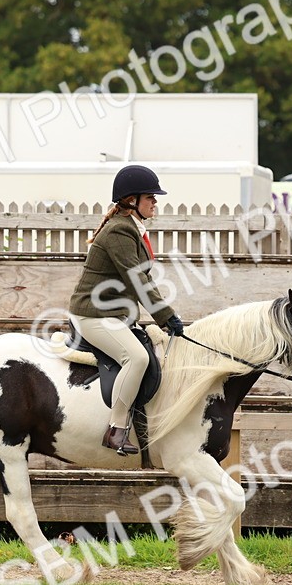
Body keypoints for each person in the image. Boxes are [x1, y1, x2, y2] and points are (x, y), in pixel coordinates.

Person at [67, 164, 185, 455]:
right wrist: (166, 316)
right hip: (92, 314)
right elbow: (138, 279)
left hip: (112, 314)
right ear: (132, 200)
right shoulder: (120, 230)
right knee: (136, 358)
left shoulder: (130, 227)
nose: (156, 203)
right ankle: (116, 428)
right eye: (151, 197)